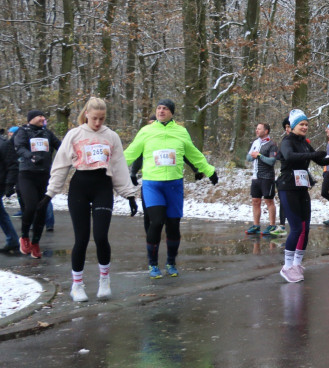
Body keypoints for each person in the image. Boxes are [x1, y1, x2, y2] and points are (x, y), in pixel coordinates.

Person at [41, 98, 138, 301]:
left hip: (103, 187)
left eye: (102, 119)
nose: (98, 123)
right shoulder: (74, 135)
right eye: (94, 118)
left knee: (101, 236)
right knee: (81, 238)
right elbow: (60, 165)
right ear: (87, 114)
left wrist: (129, 194)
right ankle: (77, 285)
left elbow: (119, 166)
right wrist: (50, 193)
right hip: (80, 188)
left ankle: (105, 280)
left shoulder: (111, 136)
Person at [122, 99, 218, 278]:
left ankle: (171, 262)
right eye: (158, 108)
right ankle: (152, 264)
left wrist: (209, 171)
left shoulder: (181, 132)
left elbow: (193, 153)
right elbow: (130, 153)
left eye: (165, 108)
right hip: (152, 184)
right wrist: (111, 169)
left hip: (174, 185)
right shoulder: (146, 131)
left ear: (172, 112)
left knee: (173, 225)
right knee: (156, 222)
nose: (161, 111)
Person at [276, 109, 329, 282]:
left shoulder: (304, 142)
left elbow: (319, 160)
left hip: (302, 189)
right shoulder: (287, 141)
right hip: (287, 188)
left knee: (305, 228)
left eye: (306, 124)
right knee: (296, 228)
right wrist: (313, 154)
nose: (304, 127)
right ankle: (287, 266)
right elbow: (289, 156)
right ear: (293, 126)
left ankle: (297, 263)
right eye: (301, 124)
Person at [12, 109, 62, 257]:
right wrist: (31, 156)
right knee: (31, 206)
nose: (43, 118)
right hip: (27, 175)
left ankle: (35, 243)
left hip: (44, 175)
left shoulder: (47, 133)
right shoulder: (23, 131)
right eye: (40, 116)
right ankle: (25, 236)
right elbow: (19, 148)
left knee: (42, 209)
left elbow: (61, 146)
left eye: (43, 116)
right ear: (31, 118)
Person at [246, 122, 279, 236]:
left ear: (266, 131)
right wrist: (253, 155)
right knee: (255, 201)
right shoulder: (255, 142)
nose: (257, 130)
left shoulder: (272, 144)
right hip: (255, 177)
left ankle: (272, 225)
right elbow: (248, 157)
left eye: (259, 129)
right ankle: (256, 225)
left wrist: (259, 155)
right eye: (256, 128)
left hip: (267, 177)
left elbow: (272, 161)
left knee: (269, 201)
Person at [0, 130, 19, 253]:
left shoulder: (4, 144)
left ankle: (12, 240)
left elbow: (12, 165)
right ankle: (12, 240)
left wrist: (9, 185)